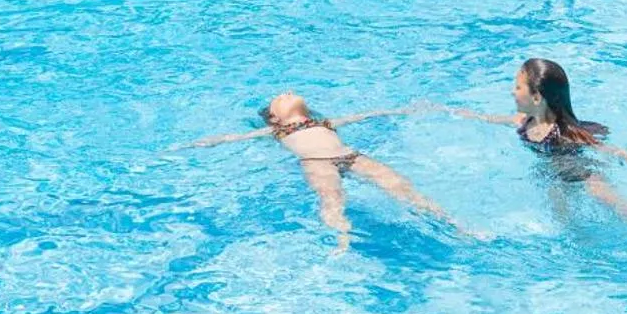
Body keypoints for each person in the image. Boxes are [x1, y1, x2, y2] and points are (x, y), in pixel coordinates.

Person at [453, 57, 627, 255]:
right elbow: (491, 118)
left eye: (518, 87)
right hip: (552, 172)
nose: (513, 91)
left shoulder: (567, 134)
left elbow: (611, 150)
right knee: (564, 220)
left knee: (609, 200)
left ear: (537, 98)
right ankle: (583, 245)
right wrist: (455, 113)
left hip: (580, 169)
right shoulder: (524, 120)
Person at [193, 93, 458, 251]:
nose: (286, 92)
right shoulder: (275, 131)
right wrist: (204, 143)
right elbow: (234, 138)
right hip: (315, 162)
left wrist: (400, 110)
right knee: (332, 199)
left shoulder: (326, 122)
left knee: (400, 185)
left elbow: (366, 115)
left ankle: (451, 223)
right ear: (274, 117)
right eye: (280, 98)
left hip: (351, 155)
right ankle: (343, 238)